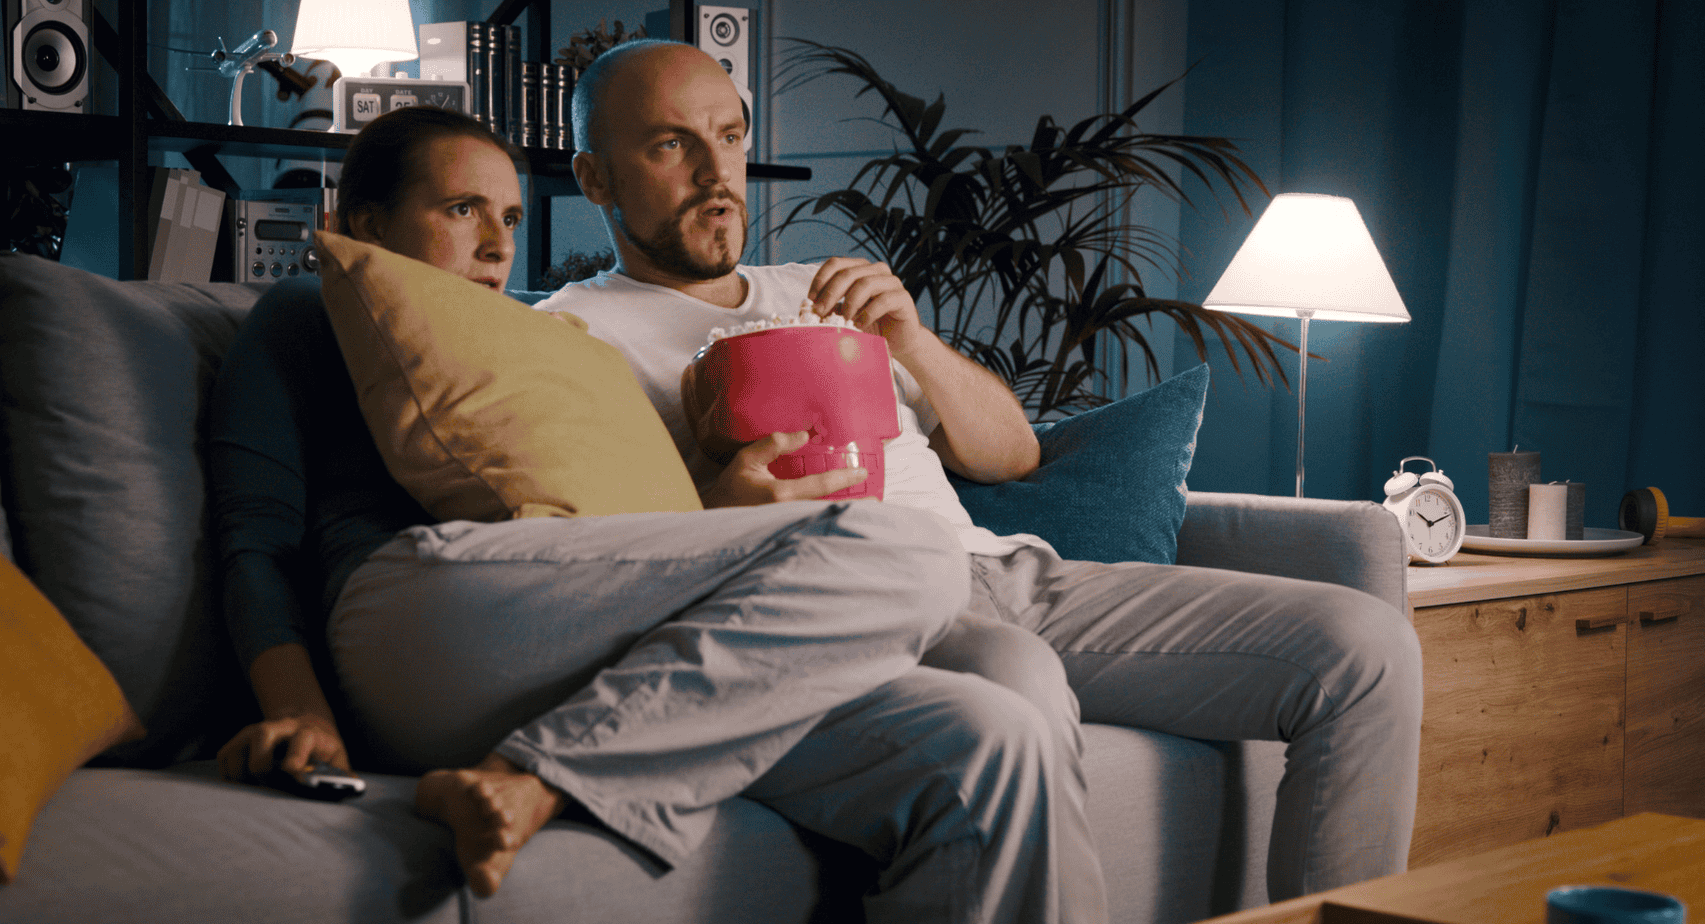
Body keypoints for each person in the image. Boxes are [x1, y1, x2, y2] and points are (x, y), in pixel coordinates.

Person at [543, 38, 1426, 905]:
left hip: (1011, 571)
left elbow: (1012, 454)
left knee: (1364, 645)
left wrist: (913, 342)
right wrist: (716, 506)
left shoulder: (820, 286)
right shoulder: (573, 335)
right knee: (1016, 677)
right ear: (594, 179)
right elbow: (591, 552)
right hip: (858, 602)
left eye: (729, 136)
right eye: (671, 145)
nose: (715, 172)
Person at [208, 104, 1076, 922]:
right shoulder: (304, 310)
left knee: (993, 737)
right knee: (900, 547)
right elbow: (255, 540)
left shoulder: (536, 345)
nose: (496, 243)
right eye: (461, 210)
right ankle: (543, 777)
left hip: (566, 631)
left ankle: (543, 771)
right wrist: (301, 712)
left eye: (509, 218)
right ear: (364, 225)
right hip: (424, 611)